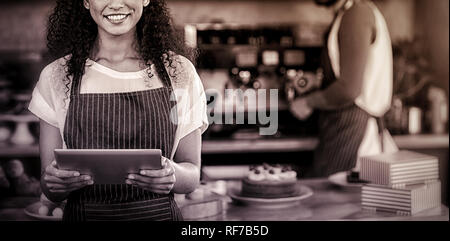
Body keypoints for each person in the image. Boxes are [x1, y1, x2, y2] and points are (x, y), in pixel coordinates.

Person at [28, 0, 209, 221]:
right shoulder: (57, 76)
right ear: (85, 1)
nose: (115, 4)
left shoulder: (179, 72)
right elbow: (49, 188)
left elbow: (192, 176)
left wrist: (173, 174)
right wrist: (54, 182)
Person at [289, 0, 394, 177]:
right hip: (343, 128)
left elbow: (349, 90)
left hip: (353, 130)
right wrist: (318, 80)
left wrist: (308, 102)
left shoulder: (356, 14)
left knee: (336, 200)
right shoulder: (348, 13)